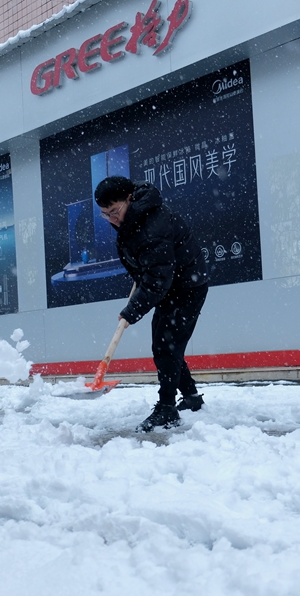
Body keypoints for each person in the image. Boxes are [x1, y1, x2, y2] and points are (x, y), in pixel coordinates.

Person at [93, 176, 209, 432]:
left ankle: (167, 409)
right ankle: (190, 397)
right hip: (171, 285)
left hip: (187, 286)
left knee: (166, 346)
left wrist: (132, 310)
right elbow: (150, 269)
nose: (111, 219)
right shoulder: (134, 219)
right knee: (167, 344)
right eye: (105, 215)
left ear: (130, 199)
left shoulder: (152, 226)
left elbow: (158, 278)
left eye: (114, 212)